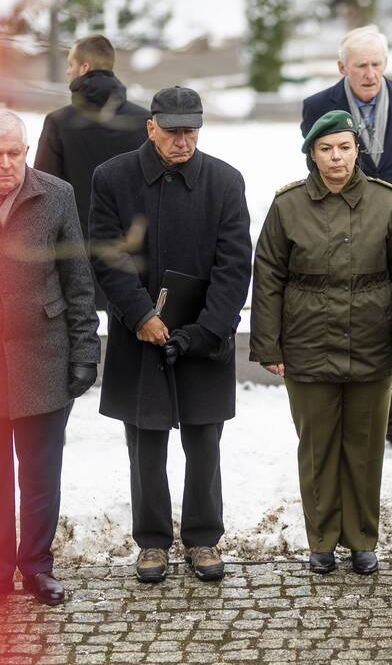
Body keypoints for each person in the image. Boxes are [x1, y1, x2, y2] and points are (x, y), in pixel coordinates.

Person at [89, 86, 252, 584]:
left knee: (204, 440)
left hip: (204, 333)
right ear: (151, 127)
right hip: (138, 333)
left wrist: (208, 328)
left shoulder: (224, 180)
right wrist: (139, 315)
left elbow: (234, 263)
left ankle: (203, 538)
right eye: (173, 131)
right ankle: (153, 543)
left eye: (191, 131)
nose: (183, 141)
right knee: (146, 443)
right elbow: (106, 254)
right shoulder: (112, 177)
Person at [250, 110, 392, 576]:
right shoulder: (288, 206)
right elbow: (267, 274)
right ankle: (321, 539)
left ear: (357, 150)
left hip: (373, 340)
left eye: (344, 147)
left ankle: (363, 539)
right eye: (325, 149)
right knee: (318, 444)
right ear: (312, 154)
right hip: (307, 341)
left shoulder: (388, 202)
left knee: (364, 445)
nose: (336, 157)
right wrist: (269, 344)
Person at [0, 110, 100, 609]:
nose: (8, 164)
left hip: (44, 358)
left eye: (17, 152)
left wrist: (85, 352)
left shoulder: (56, 194)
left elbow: (78, 281)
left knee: (40, 473)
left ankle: (36, 566)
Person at [301, 25, 392, 454]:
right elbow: (316, 165)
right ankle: (353, 414)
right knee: (353, 311)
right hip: (343, 222)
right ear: (342, 68)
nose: (370, 74)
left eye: (377, 64)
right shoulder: (318, 105)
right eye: (361, 66)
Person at [35, 35, 150, 309]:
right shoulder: (144, 122)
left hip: (75, 255)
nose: (67, 71)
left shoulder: (59, 123)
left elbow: (43, 191)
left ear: (84, 68)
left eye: (70, 63)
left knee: (80, 340)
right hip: (133, 255)